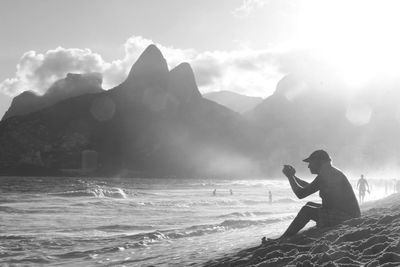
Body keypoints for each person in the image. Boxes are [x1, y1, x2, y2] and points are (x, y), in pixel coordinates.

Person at [262, 150, 360, 244]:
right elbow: (309, 187)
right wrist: (293, 177)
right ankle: (285, 237)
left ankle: (282, 239)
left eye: (310, 162)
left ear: (319, 162)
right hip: (350, 214)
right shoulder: (330, 172)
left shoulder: (326, 174)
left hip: (347, 217)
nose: (309, 166)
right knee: (309, 205)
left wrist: (290, 177)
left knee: (306, 210)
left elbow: (300, 194)